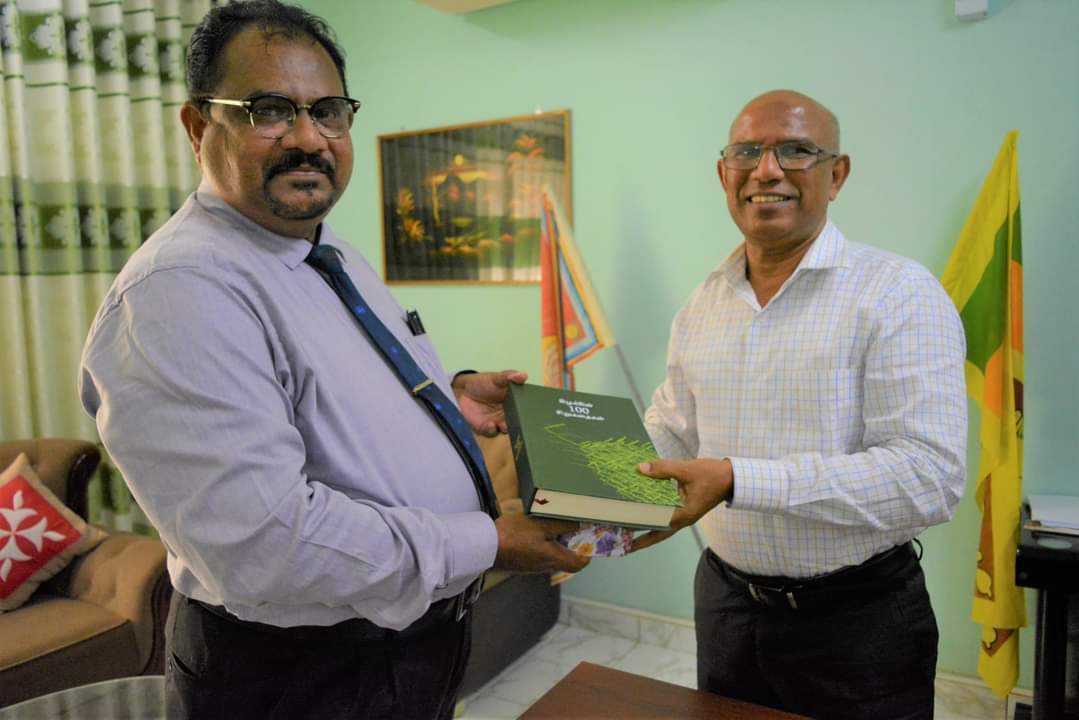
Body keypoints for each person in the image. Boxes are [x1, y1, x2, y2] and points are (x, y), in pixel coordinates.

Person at [78, 2, 587, 718]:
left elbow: (334, 388)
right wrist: (489, 541)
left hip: (410, 648)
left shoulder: (327, 248)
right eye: (269, 111)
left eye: (328, 111)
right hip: (300, 677)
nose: (308, 138)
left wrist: (450, 394)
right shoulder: (179, 294)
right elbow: (268, 548)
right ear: (198, 127)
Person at [635, 90, 967, 719]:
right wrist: (578, 470)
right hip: (726, 606)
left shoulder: (898, 293)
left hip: (857, 623)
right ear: (724, 174)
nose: (767, 171)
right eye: (747, 153)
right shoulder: (702, 303)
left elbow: (929, 477)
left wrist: (739, 480)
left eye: (795, 151)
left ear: (836, 175)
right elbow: (672, 428)